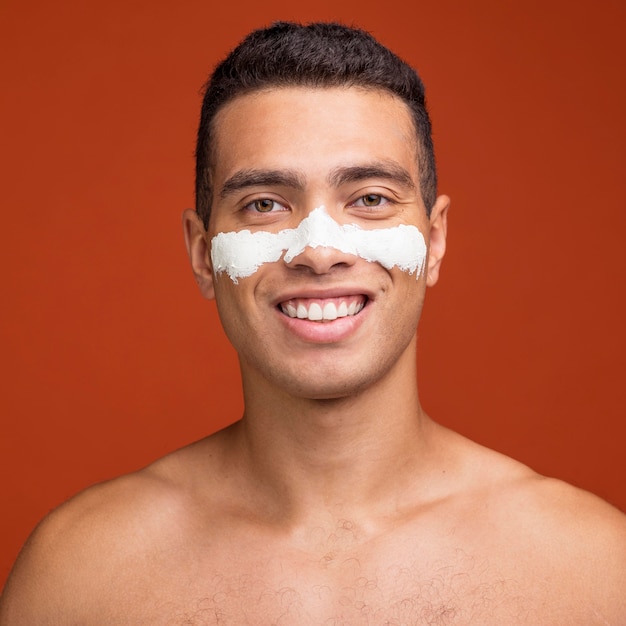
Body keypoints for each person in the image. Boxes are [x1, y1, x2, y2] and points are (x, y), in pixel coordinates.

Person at [1, 21, 625, 625]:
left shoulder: (592, 570)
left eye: (371, 198)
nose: (319, 251)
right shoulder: (80, 575)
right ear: (201, 254)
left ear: (434, 241)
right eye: (265, 204)